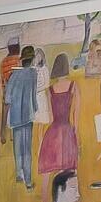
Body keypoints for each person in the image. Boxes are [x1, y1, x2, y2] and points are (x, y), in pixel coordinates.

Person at [3, 44, 41, 188]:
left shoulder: (14, 76)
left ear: (22, 60)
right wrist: (35, 108)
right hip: (28, 114)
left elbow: (7, 99)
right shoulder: (33, 74)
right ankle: (29, 181)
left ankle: (19, 174)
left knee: (18, 147)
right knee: (27, 149)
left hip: (15, 116)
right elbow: (33, 95)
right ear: (31, 60)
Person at [37, 52, 78, 182]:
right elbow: (76, 113)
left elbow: (49, 117)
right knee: (69, 171)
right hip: (67, 129)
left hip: (53, 130)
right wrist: (75, 131)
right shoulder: (73, 86)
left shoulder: (50, 90)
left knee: (47, 172)